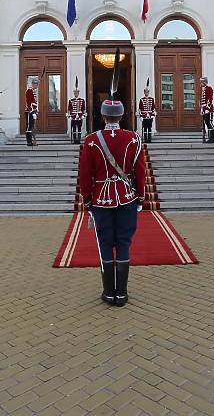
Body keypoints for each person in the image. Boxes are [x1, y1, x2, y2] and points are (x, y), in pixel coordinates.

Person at [78, 99, 146, 307]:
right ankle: (122, 294)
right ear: (122, 116)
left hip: (101, 198)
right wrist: (141, 196)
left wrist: (88, 201)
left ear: (103, 116)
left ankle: (109, 293)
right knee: (124, 242)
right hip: (126, 197)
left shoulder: (91, 140)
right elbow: (140, 171)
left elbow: (85, 175)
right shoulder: (133, 139)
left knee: (105, 243)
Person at [200, 77, 214, 143]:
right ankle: (211, 137)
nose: (201, 84)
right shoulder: (205, 89)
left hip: (208, 109)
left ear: (204, 82)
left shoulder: (209, 88)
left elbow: (210, 99)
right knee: (207, 123)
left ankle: (213, 137)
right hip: (205, 109)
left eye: (201, 83)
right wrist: (202, 109)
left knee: (209, 123)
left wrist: (207, 108)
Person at [25, 77, 39, 147]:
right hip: (29, 111)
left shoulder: (33, 91)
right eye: (36, 84)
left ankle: (31, 141)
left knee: (32, 126)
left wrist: (35, 111)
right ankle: (29, 141)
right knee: (29, 126)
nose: (37, 86)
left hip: (33, 111)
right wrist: (32, 111)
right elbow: (29, 102)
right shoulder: (29, 91)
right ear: (33, 84)